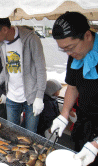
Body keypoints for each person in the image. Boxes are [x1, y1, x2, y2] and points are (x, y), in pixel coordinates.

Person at [0, 14, 47, 133]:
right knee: (12, 132)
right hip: (12, 97)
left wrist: (39, 96)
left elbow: (41, 70)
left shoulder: (31, 39)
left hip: (31, 97)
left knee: (30, 134)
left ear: (5, 29)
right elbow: (6, 70)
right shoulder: (0, 43)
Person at [50, 12, 98, 166]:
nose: (69, 54)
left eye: (70, 48)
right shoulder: (75, 54)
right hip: (84, 123)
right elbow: (72, 86)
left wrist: (96, 144)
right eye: (64, 50)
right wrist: (64, 115)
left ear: (88, 36)